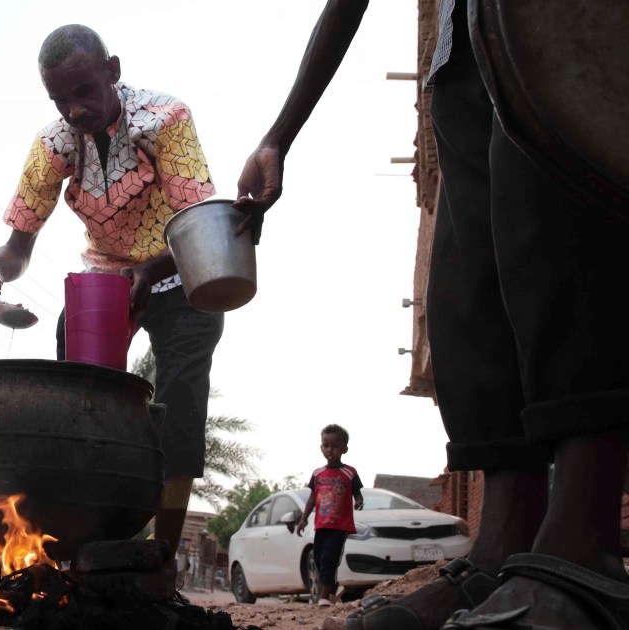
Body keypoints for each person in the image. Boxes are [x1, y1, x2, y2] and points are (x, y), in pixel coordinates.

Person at [235, 2, 629, 629]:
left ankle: (586, 542)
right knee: (468, 290)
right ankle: (503, 546)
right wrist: (281, 134)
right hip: (459, 50)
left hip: (546, 16)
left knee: (553, 232)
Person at [0, 24, 222, 561]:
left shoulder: (165, 119)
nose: (74, 110)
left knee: (179, 411)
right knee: (79, 403)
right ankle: (76, 543)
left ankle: (160, 556)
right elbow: (19, 248)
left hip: (179, 270)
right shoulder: (52, 144)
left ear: (113, 70)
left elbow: (197, 223)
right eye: (60, 98)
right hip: (106, 276)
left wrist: (150, 273)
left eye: (84, 91)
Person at [296, 424, 363, 606]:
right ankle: (333, 588)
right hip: (321, 525)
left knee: (329, 559)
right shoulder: (317, 474)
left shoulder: (350, 472)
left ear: (344, 449)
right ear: (321, 447)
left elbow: (357, 492)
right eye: (326, 445)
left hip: (340, 526)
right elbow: (312, 498)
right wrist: (303, 520)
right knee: (318, 559)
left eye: (334, 446)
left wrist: (358, 500)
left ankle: (324, 596)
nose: (329, 450)